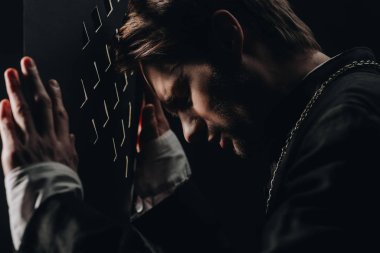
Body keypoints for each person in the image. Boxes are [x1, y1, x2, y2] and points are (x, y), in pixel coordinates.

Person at [1, 0, 380, 252]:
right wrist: (169, 203)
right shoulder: (341, 112)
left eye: (182, 99)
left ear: (227, 37)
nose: (189, 133)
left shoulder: (348, 128)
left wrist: (52, 214)